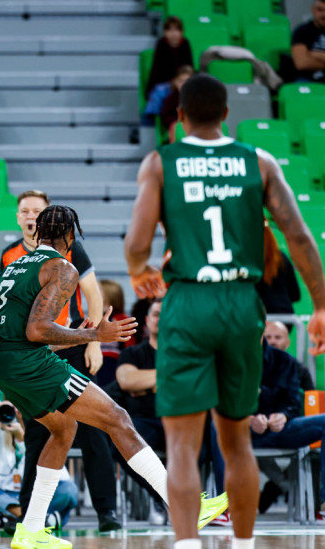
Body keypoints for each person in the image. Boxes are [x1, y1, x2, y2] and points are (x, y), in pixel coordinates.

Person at [124, 73, 325, 549]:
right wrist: (320, 304)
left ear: (179, 118)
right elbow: (297, 237)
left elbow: (136, 242)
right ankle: (244, 545)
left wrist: (139, 270)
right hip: (241, 303)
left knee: (182, 445)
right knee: (236, 442)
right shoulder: (259, 161)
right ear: (228, 114)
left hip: (189, 301)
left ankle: (188, 543)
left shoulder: (161, 162)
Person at [0, 205, 227, 549]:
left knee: (63, 428)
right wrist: (94, 335)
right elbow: (38, 329)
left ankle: (31, 529)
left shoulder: (15, 265)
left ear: (38, 233)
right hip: (25, 359)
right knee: (118, 418)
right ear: (71, 236)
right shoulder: (62, 268)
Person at [0, 191, 120, 532]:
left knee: (94, 428)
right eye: (25, 210)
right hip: (32, 354)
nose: (31, 216)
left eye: (37, 211)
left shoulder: (71, 249)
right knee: (37, 433)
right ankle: (28, 515)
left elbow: (94, 295)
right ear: (18, 216)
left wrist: (94, 342)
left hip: (71, 346)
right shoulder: (10, 254)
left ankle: (106, 512)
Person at [109, 299, 225, 525]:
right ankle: (161, 498)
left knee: (197, 451)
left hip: (182, 419)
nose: (160, 319)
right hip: (144, 420)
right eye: (155, 314)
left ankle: (176, 502)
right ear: (146, 321)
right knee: (122, 446)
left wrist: (148, 384)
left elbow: (197, 385)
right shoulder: (133, 354)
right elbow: (127, 381)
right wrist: (171, 378)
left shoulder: (190, 354)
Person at [0, 395, 78, 531]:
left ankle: (6, 516)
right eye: (15, 407)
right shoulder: (0, 421)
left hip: (35, 497)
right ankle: (31, 516)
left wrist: (22, 440)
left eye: (21, 410)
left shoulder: (42, 427)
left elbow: (62, 477)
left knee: (69, 490)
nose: (17, 414)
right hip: (3, 493)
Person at [249, 326, 325, 515]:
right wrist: (248, 420)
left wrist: (283, 416)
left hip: (278, 431)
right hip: (236, 432)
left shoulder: (286, 361)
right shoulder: (223, 361)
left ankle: (322, 502)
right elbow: (216, 406)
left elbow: (294, 403)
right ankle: (219, 505)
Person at [256, 222, 302, 316]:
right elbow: (295, 295)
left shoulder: (248, 262)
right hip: (284, 314)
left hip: (256, 316)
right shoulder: (281, 258)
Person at [145, 16, 194, 100]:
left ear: (181, 31)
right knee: (159, 92)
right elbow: (156, 70)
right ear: (165, 32)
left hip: (183, 82)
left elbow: (189, 68)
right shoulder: (161, 44)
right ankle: (151, 113)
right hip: (165, 83)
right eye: (169, 30)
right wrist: (173, 83)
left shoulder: (185, 44)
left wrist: (180, 81)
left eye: (176, 30)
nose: (173, 33)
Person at [263, 320, 315, 390]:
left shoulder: (299, 370)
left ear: (287, 343)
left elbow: (311, 396)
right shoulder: (254, 367)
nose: (272, 341)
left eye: (278, 337)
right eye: (268, 337)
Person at [290, 0, 325, 83]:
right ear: (313, 10)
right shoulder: (302, 31)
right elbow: (301, 63)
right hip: (308, 79)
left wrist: (318, 55)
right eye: (320, 10)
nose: (324, 14)